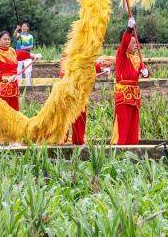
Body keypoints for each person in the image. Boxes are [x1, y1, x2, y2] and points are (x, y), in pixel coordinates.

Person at [111, 17, 149, 145]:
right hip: (123, 94)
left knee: (133, 127)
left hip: (135, 96)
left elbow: (145, 72)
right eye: (133, 44)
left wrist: (145, 72)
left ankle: (133, 148)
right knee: (123, 126)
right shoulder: (121, 55)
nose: (135, 46)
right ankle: (120, 149)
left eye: (135, 44)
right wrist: (129, 29)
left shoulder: (138, 59)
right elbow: (123, 43)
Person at [59, 52, 111, 145]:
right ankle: (72, 139)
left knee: (69, 114)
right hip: (72, 88)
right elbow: (89, 63)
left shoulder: (69, 54)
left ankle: (66, 139)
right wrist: (101, 69)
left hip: (72, 88)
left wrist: (100, 69)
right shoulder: (75, 54)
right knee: (72, 114)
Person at [0, 30, 41, 112]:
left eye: (8, 39)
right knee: (3, 113)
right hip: (2, 88)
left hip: (13, 87)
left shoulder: (12, 51)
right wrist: (6, 79)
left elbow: (21, 54)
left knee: (14, 112)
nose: (7, 41)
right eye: (5, 39)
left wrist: (33, 55)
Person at [13, 21, 36, 87]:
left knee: (28, 70)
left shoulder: (30, 36)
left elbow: (31, 46)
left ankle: (28, 85)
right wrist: (17, 29)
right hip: (18, 55)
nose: (23, 27)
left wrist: (25, 47)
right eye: (22, 26)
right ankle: (19, 85)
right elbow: (14, 35)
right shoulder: (19, 35)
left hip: (27, 55)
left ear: (28, 28)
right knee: (18, 70)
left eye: (25, 26)